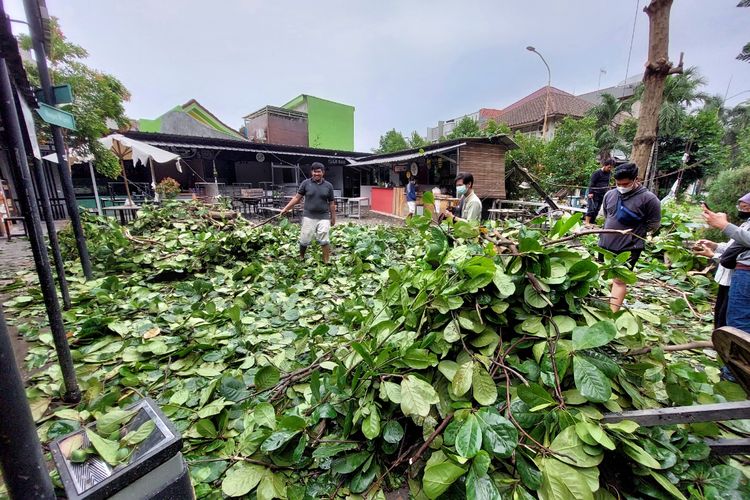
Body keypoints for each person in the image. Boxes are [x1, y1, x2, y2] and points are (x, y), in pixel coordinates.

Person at [598, 163, 661, 312]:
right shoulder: (610, 195)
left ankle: (612, 314)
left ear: (636, 179)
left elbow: (654, 224)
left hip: (629, 247)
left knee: (619, 281)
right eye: (618, 183)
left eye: (625, 184)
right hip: (605, 243)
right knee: (605, 276)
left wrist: (635, 231)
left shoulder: (649, 199)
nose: (621, 186)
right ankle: (604, 306)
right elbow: (607, 216)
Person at [702, 193, 750, 332]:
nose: (742, 211)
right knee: (731, 316)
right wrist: (715, 246)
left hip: (745, 273)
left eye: (746, 207)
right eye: (741, 207)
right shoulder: (746, 223)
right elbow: (735, 247)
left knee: (738, 322)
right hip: (739, 274)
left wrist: (724, 225)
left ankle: (738, 352)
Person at [280, 162, 336, 264]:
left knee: (324, 239)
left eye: (318, 172)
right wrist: (286, 208)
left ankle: (326, 261)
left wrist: (333, 218)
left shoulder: (329, 186)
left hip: (323, 216)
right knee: (304, 240)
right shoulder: (306, 183)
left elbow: (332, 203)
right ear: (312, 172)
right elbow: (297, 198)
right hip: (308, 216)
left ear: (323, 173)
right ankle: (301, 257)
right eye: (314, 172)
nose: (316, 174)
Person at [585, 158, 614, 225]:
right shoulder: (597, 173)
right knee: (591, 208)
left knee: (597, 208)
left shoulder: (609, 173)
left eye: (611, 168)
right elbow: (592, 183)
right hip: (594, 193)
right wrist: (590, 193)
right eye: (609, 167)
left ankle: (592, 221)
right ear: (605, 165)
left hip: (602, 193)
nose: (610, 169)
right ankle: (587, 222)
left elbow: (608, 182)